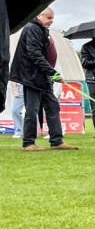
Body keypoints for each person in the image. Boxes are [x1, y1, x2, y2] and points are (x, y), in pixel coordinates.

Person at [10, 8, 78, 151]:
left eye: (52, 18)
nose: (51, 21)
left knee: (53, 107)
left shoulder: (42, 30)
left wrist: (50, 74)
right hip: (32, 77)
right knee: (32, 110)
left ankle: (56, 141)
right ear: (38, 15)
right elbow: (34, 54)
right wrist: (53, 73)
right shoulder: (32, 29)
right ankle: (28, 143)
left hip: (44, 78)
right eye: (48, 18)